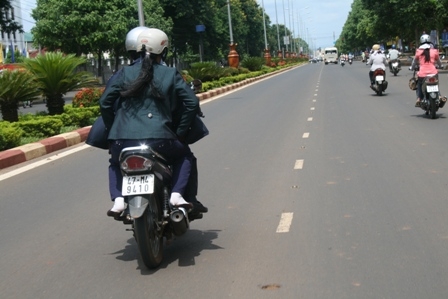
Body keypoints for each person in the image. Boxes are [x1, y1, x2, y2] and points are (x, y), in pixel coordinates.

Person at [100, 27, 206, 219]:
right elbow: (191, 102)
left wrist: (111, 131)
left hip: (122, 140)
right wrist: (181, 132)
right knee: (184, 156)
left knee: (115, 163)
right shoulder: (170, 74)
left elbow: (105, 102)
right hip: (162, 139)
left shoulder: (123, 73)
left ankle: (118, 200)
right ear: (163, 52)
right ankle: (176, 195)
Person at [410, 34, 443, 107]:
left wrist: (412, 68)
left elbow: (414, 62)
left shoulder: (418, 51)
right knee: (436, 84)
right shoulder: (434, 51)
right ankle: (440, 96)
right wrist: (441, 66)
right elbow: (439, 62)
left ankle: (419, 98)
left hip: (422, 74)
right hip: (434, 73)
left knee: (419, 85)